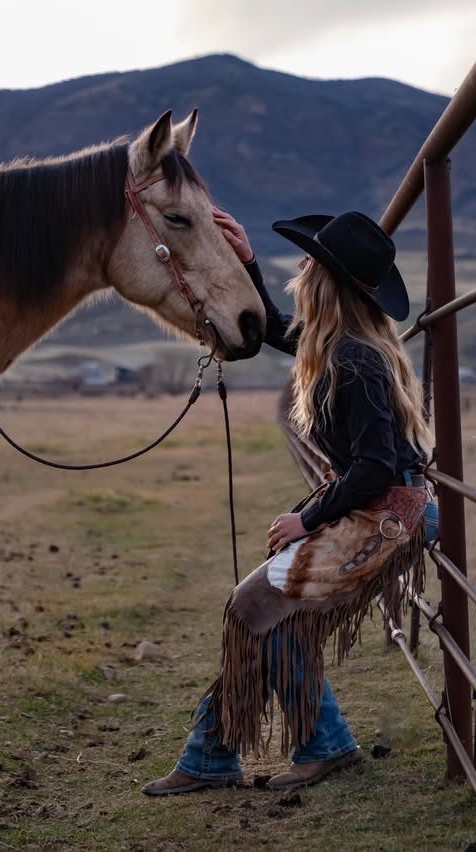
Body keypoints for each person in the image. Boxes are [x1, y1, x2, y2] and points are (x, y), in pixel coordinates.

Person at [142, 208, 438, 796]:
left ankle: (305, 747)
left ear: (326, 279)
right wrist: (247, 260)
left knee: (253, 605)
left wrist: (306, 516)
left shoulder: (353, 357)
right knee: (259, 610)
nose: (300, 268)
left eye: (310, 260)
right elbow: (277, 326)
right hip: (378, 506)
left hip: (387, 515)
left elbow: (377, 466)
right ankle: (219, 754)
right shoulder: (339, 343)